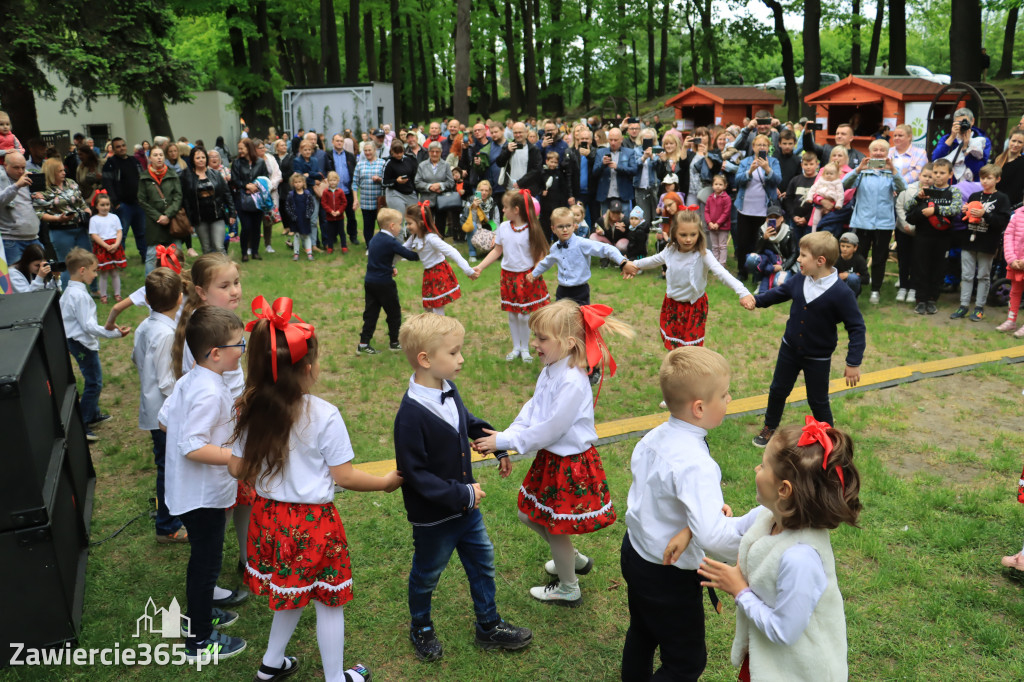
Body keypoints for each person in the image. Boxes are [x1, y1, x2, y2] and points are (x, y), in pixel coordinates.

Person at [229, 297, 399, 682]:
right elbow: (346, 477)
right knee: (327, 600)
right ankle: (336, 678)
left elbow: (238, 468)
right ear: (306, 369)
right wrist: (386, 483)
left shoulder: (248, 408)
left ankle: (272, 664)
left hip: (269, 518)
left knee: (291, 590)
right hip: (312, 525)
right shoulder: (323, 415)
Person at [474, 300, 633, 606]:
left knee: (552, 524)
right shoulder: (552, 368)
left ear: (569, 342)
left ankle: (569, 587)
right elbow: (533, 408)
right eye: (534, 337)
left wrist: (506, 441)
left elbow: (551, 429)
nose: (534, 344)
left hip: (570, 463)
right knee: (529, 514)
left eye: (542, 338)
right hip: (553, 459)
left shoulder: (572, 381)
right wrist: (505, 436)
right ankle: (570, 559)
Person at [392, 314, 532, 662]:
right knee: (427, 574)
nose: (462, 359)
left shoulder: (448, 388)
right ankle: (420, 626)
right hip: (434, 518)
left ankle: (488, 624)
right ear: (426, 359)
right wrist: (464, 493)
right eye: (454, 353)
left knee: (482, 563)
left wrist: (495, 443)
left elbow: (466, 421)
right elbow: (416, 473)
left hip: (466, 512)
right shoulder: (409, 416)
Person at [620, 346, 761, 681]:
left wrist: (693, 522)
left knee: (642, 630)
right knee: (686, 661)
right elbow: (714, 537)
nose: (729, 399)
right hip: (669, 577)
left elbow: (658, 499)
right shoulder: (696, 464)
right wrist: (759, 529)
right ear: (699, 408)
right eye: (724, 395)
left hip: (636, 554)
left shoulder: (653, 438)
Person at [698, 418, 861, 682]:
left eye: (763, 466)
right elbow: (731, 531)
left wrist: (740, 591)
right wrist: (700, 525)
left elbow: (785, 631)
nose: (755, 468)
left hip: (800, 671)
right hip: (770, 662)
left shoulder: (801, 558)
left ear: (784, 489)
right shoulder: (768, 516)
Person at [158, 305, 247, 662]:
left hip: (191, 492)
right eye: (237, 345)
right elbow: (192, 445)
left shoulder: (192, 379)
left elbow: (166, 422)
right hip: (201, 497)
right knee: (206, 562)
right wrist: (232, 457)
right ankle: (199, 639)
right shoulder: (210, 391)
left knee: (204, 560)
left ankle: (199, 615)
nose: (242, 351)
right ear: (215, 353)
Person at [749, 231, 865, 447]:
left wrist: (853, 362)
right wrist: (756, 301)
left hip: (818, 358)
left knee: (818, 400)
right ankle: (769, 427)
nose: (798, 260)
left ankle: (829, 439)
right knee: (778, 390)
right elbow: (779, 293)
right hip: (789, 349)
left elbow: (857, 328)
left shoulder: (841, 293)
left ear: (820, 261)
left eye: (803, 256)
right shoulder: (800, 279)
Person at [627, 209, 753, 353]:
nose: (688, 239)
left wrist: (743, 292)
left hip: (694, 308)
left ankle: (689, 373)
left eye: (693, 234)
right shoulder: (670, 250)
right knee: (673, 346)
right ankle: (675, 371)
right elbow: (653, 260)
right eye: (683, 235)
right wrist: (633, 264)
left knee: (690, 350)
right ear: (674, 233)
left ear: (699, 234)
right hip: (672, 306)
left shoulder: (703, 254)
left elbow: (722, 273)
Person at [132, 267, 188, 544]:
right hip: (164, 414)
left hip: (152, 409)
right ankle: (168, 526)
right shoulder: (166, 334)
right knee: (170, 467)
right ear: (180, 298)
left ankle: (166, 510)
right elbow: (167, 383)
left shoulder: (146, 326)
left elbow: (136, 359)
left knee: (164, 463)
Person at [60, 248, 131, 441]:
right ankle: (82, 423)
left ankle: (93, 414)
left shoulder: (70, 291)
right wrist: (114, 334)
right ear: (82, 270)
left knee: (94, 378)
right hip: (81, 343)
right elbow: (88, 326)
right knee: (94, 382)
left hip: (78, 341)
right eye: (94, 270)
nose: (96, 273)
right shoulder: (79, 296)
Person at [472, 190, 551, 362]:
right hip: (508, 277)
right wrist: (480, 267)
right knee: (512, 314)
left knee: (524, 315)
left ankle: (525, 348)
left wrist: (535, 273)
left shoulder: (532, 229)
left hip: (527, 277)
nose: (502, 210)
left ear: (516, 209)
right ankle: (516, 347)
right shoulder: (503, 228)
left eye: (505, 207)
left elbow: (539, 256)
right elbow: (497, 250)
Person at [843, 140, 906, 304]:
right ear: (870, 153)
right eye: (875, 150)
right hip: (862, 222)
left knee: (880, 257)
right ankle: (857, 288)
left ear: (887, 153)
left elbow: (903, 189)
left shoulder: (890, 173)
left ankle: (875, 290)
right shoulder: (862, 172)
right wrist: (857, 170)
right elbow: (844, 184)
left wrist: (893, 171)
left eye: (882, 150)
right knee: (860, 257)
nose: (878, 153)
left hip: (883, 223)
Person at [529, 206, 631, 307]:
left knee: (580, 320)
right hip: (562, 291)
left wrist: (623, 261)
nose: (565, 229)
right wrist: (534, 273)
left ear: (574, 226)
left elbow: (606, 249)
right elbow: (547, 262)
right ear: (553, 229)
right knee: (561, 320)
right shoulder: (555, 248)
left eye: (568, 226)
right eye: (560, 226)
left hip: (580, 291)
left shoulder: (582, 244)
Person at [952, 163, 1011, 321]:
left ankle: (979, 307)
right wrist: (965, 213)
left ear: (997, 179)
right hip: (969, 240)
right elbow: (966, 221)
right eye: (982, 178)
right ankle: (963, 306)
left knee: (983, 276)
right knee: (966, 274)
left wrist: (985, 214)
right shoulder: (974, 196)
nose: (984, 181)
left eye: (989, 178)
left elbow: (1002, 222)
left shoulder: (1002, 198)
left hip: (987, 242)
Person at [905, 158, 964, 315]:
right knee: (921, 267)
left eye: (942, 173)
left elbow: (955, 209)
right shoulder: (925, 191)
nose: (938, 176)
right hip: (923, 236)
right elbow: (907, 208)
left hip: (943, 237)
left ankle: (932, 299)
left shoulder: (954, 192)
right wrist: (918, 198)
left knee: (938, 268)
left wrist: (935, 210)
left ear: (950, 174)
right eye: (935, 173)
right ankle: (920, 300)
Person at [358, 208, 420, 354]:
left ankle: (363, 344)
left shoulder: (374, 239)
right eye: (400, 224)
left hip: (370, 281)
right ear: (392, 226)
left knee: (371, 313)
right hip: (384, 284)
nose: (401, 227)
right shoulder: (391, 241)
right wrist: (424, 253)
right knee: (394, 313)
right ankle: (394, 342)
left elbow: (378, 259)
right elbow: (409, 255)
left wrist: (390, 267)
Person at [402, 202, 477, 316]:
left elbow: (452, 252)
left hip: (438, 273)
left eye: (409, 223)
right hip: (428, 274)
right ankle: (431, 329)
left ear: (421, 223)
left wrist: (467, 269)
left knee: (437, 306)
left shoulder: (431, 239)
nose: (407, 226)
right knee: (428, 306)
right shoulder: (414, 237)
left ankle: (440, 330)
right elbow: (401, 250)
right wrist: (389, 261)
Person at [33, 157, 92, 288]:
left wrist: (87, 210)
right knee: (67, 264)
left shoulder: (70, 182)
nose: (64, 172)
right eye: (60, 171)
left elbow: (81, 201)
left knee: (87, 260)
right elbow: (39, 213)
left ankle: (94, 290)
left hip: (80, 227)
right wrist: (57, 219)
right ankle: (68, 293)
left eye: (63, 169)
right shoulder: (43, 190)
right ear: (51, 172)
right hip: (60, 230)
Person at [734, 135, 783, 281]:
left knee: (760, 242)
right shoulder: (745, 162)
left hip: (764, 210)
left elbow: (778, 180)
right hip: (745, 208)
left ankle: (758, 271)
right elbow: (737, 180)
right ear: (753, 147)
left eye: (764, 145)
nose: (761, 147)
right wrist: (749, 171)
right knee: (743, 242)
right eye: (758, 145)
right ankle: (742, 271)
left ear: (768, 147)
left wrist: (767, 169)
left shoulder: (773, 162)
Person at [137, 147, 183, 275]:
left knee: (175, 254)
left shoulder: (172, 174)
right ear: (150, 158)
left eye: (161, 155)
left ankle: (177, 284)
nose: (158, 157)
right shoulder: (144, 177)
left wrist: (168, 215)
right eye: (155, 155)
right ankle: (149, 288)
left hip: (172, 221)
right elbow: (142, 200)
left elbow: (178, 196)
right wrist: (158, 216)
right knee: (152, 256)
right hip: (154, 223)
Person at [182, 147, 234, 255]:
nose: (201, 160)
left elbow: (227, 194)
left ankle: (225, 270)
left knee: (219, 246)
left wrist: (232, 213)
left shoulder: (216, 174)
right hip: (200, 219)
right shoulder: (187, 177)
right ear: (192, 160)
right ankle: (209, 271)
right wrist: (189, 220)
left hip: (217, 216)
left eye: (203, 157)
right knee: (206, 249)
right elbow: (186, 200)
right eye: (198, 158)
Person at [103, 137, 147, 259]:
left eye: (123, 145)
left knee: (142, 233)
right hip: (123, 206)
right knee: (121, 234)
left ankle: (146, 256)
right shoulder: (110, 163)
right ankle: (119, 258)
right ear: (113, 148)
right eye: (118, 146)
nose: (121, 148)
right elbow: (107, 184)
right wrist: (116, 203)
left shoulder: (135, 161)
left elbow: (143, 179)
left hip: (138, 203)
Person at [230, 138, 269, 262]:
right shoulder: (236, 163)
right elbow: (234, 179)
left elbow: (265, 178)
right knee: (246, 226)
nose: (240, 150)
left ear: (249, 148)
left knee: (257, 226)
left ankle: (255, 251)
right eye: (239, 148)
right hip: (242, 199)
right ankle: (244, 252)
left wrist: (256, 186)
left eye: (242, 148)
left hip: (257, 199)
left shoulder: (261, 162)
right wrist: (246, 185)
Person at [745, 207, 798, 295]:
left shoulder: (789, 231)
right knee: (751, 259)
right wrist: (764, 238)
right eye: (770, 217)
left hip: (782, 263)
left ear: (782, 218)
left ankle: (774, 279)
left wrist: (782, 267)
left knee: (778, 284)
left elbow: (794, 253)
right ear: (766, 219)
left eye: (776, 217)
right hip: (766, 262)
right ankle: (760, 281)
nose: (774, 220)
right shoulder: (762, 230)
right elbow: (756, 251)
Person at [931, 107, 991, 183]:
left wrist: (965, 148)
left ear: (972, 121)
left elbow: (979, 169)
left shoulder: (982, 141)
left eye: (965, 122)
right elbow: (935, 158)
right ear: (953, 123)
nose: (962, 125)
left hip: (971, 184)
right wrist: (952, 137)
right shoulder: (946, 138)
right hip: (949, 183)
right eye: (959, 122)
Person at [88, 192, 126, 302]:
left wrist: (116, 244)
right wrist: (106, 246)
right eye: (102, 205)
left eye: (107, 205)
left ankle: (117, 294)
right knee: (103, 273)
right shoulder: (94, 219)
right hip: (102, 247)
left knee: (114, 272)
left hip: (115, 246)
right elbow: (94, 235)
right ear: (96, 206)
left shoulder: (114, 217)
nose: (105, 207)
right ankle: (103, 295)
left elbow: (119, 231)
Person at [592, 128, 638, 216]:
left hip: (623, 194)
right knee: (606, 224)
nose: (613, 143)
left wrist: (618, 167)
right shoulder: (600, 152)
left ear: (621, 139)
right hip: (605, 195)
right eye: (610, 140)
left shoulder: (629, 152)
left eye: (616, 140)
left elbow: (634, 170)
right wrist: (602, 164)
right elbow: (594, 172)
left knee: (624, 223)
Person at [415, 142, 456, 237]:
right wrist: (429, 187)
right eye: (432, 151)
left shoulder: (446, 165)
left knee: (440, 226)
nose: (434, 154)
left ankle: (440, 246)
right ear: (428, 152)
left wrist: (440, 185)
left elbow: (451, 182)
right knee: (425, 224)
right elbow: (417, 182)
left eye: (437, 151)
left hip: (441, 201)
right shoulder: (422, 165)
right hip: (426, 200)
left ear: (441, 152)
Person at [326, 133, 358, 248]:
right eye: (337, 141)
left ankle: (353, 236)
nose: (339, 143)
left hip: (347, 191)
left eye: (341, 141)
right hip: (333, 193)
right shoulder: (328, 155)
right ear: (332, 142)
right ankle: (334, 237)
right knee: (333, 217)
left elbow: (354, 173)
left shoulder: (350, 156)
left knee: (351, 216)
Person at [352, 141, 386, 247]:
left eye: (369, 150)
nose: (367, 153)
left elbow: (387, 181)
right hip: (366, 201)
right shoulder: (360, 164)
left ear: (374, 150)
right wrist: (355, 199)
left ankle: (383, 246)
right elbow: (354, 183)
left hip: (379, 201)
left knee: (382, 225)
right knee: (368, 226)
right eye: (365, 150)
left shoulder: (382, 163)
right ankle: (369, 246)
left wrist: (380, 179)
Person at [496, 122, 543, 195]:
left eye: (520, 132)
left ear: (526, 132)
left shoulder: (533, 149)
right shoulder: (508, 147)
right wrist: (507, 151)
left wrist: (520, 183)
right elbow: (499, 163)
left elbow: (537, 169)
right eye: (515, 133)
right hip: (510, 189)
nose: (518, 135)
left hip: (527, 190)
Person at [998, 205, 1024, 336]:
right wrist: (1011, 258)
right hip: (1016, 263)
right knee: (1015, 291)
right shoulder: (1017, 213)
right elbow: (1008, 235)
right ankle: (1011, 320)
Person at [462, 179, 500, 262]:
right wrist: (474, 208)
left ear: (490, 191)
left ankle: (493, 253)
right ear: (477, 191)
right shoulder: (472, 201)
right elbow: (470, 220)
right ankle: (472, 254)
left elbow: (496, 222)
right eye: (481, 190)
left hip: (488, 227)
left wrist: (496, 236)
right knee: (473, 224)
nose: (484, 193)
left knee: (496, 228)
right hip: (476, 227)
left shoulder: (493, 204)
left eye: (486, 190)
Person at [285, 173, 316, 262]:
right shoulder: (291, 195)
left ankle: (309, 253)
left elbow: (311, 205)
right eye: (296, 182)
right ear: (293, 184)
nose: (298, 184)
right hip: (295, 219)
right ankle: (296, 253)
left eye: (300, 182)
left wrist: (309, 214)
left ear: (303, 183)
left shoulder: (307, 194)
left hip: (305, 218)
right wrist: (292, 216)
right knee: (297, 235)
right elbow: (288, 206)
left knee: (306, 235)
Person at [382, 140, 419, 212]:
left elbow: (413, 176)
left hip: (409, 192)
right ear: (392, 151)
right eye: (396, 153)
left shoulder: (408, 160)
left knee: (414, 217)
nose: (399, 155)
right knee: (399, 218)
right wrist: (396, 181)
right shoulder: (389, 163)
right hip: (395, 193)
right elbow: (384, 182)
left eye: (401, 152)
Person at [704, 174, 733, 265]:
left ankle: (722, 264)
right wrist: (709, 223)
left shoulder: (726, 198)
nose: (718, 186)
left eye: (720, 184)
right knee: (715, 246)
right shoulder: (710, 198)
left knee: (722, 246)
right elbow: (706, 211)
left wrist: (718, 223)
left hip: (723, 227)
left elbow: (726, 213)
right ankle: (715, 263)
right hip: (712, 226)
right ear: (712, 185)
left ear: (725, 186)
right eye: (716, 184)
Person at [319, 170, 348, 254]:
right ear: (328, 182)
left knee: (342, 232)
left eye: (334, 180)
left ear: (338, 181)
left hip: (340, 217)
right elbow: (323, 203)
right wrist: (330, 211)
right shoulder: (325, 192)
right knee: (330, 233)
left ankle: (344, 246)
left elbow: (344, 202)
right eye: (331, 180)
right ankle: (330, 247)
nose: (332, 182)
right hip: (329, 217)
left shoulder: (340, 192)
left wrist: (339, 211)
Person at [994, 127, 1024, 207]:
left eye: (1020, 142)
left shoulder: (1022, 162)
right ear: (1009, 141)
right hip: (992, 200)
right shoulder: (998, 159)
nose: (1015, 144)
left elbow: (1016, 189)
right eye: (1013, 141)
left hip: (1010, 205)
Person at [836, 232, 869, 297]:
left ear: (855, 247)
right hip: (838, 287)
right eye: (842, 246)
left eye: (848, 247)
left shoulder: (859, 260)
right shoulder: (835, 259)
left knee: (853, 278)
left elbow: (866, 279)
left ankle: (852, 299)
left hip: (853, 288)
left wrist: (848, 276)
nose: (844, 249)